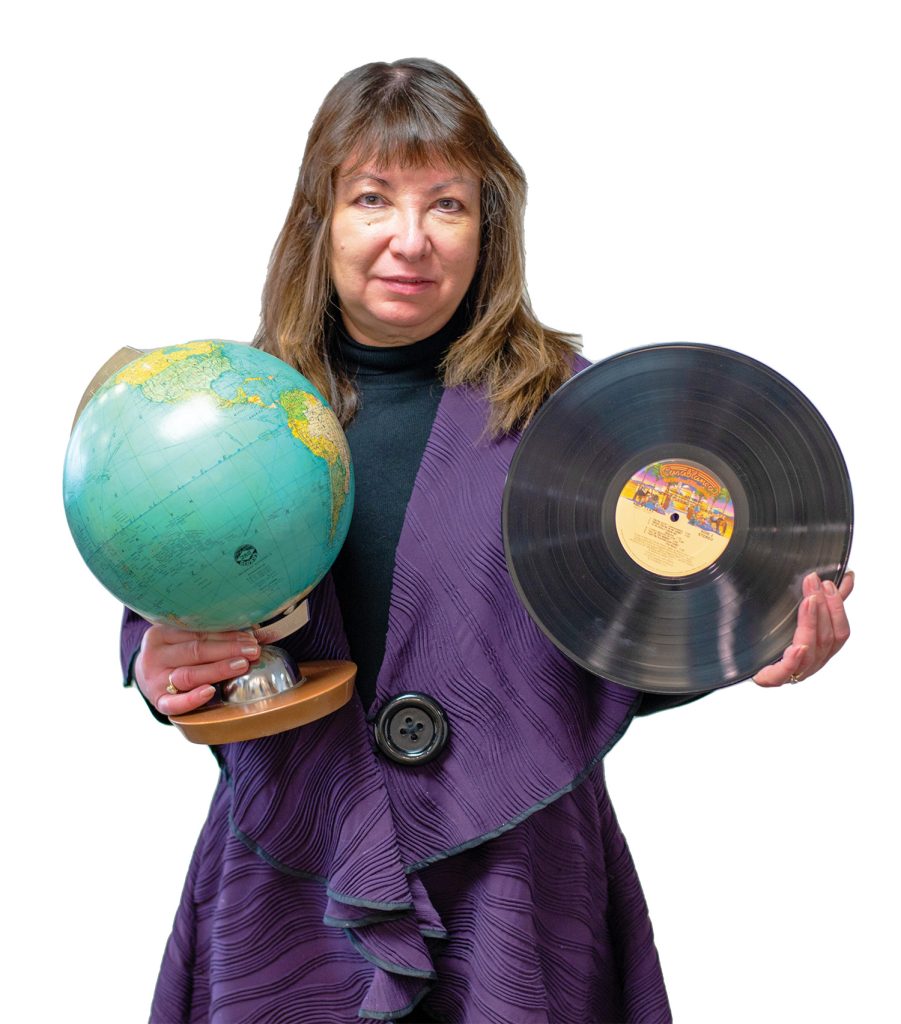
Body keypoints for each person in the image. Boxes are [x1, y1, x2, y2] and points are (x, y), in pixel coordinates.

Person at [121, 58, 853, 1023]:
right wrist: (156, 662)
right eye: (372, 198)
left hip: (516, 873)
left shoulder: (579, 416)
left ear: (489, 228)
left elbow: (623, 629)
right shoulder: (231, 407)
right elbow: (166, 594)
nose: (410, 240)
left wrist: (749, 635)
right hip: (294, 866)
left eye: (449, 205)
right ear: (319, 218)